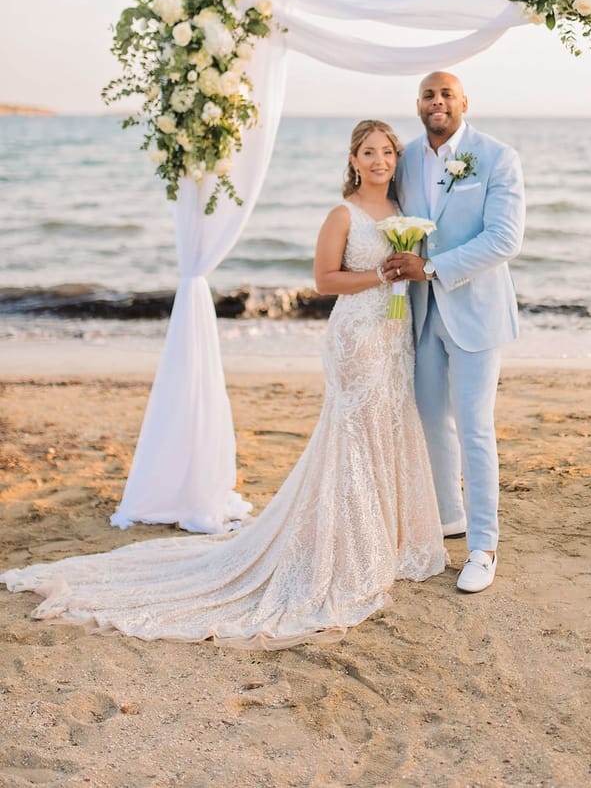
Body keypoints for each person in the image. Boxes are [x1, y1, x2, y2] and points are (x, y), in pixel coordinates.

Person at [1, 121, 445, 648]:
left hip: (395, 339)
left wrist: (412, 274)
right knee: (356, 434)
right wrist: (384, 277)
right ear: (353, 160)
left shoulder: (403, 214)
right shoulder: (342, 214)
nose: (380, 160)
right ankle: (352, 549)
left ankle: (387, 540)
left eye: (388, 152)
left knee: (390, 425)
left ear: (397, 158)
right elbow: (325, 282)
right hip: (356, 338)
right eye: (369, 152)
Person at [384, 72, 525, 594]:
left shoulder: (497, 157)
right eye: (428, 94)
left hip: (477, 312)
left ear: (465, 101)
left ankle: (484, 547)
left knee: (474, 427)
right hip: (420, 314)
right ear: (418, 104)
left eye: (446, 94)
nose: (437, 101)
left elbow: (504, 239)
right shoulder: (405, 160)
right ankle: (447, 519)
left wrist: (433, 268)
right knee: (428, 422)